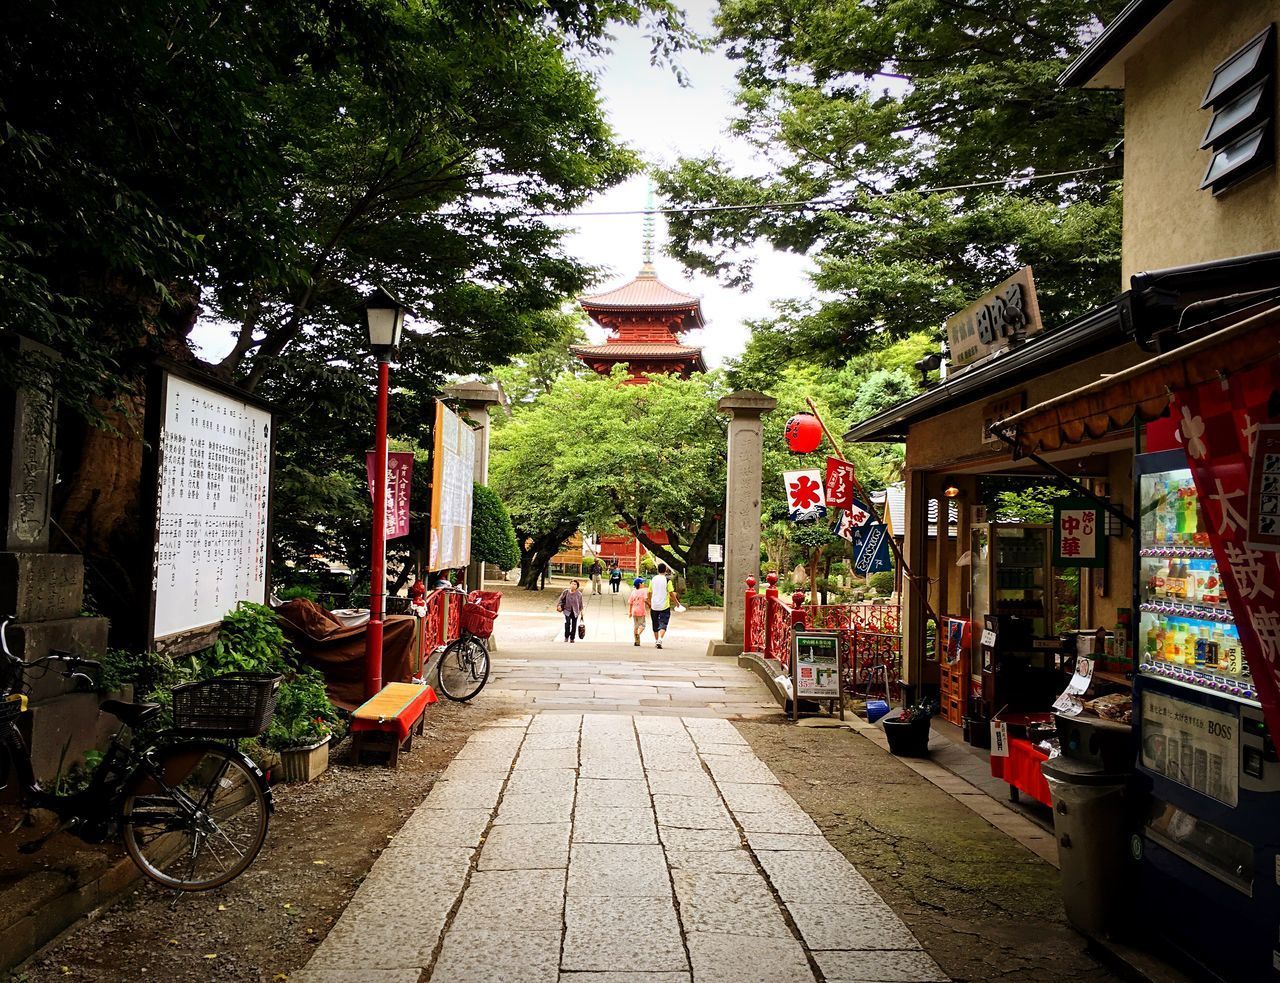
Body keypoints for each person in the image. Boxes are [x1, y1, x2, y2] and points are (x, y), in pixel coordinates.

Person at [647, 563, 679, 650]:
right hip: (664, 605)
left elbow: (649, 592)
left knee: (655, 623)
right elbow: (671, 593)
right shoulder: (667, 580)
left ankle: (657, 640)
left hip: (654, 605)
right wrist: (676, 602)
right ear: (665, 570)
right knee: (663, 623)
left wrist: (649, 602)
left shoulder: (652, 579)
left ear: (657, 569)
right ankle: (660, 640)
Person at [557, 579, 584, 643]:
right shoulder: (566, 592)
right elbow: (560, 600)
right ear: (570, 584)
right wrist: (559, 606)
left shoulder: (579, 594)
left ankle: (572, 638)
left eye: (575, 584)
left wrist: (582, 612)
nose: (573, 585)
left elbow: (581, 604)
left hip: (575, 612)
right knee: (567, 623)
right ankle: (566, 637)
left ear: (577, 586)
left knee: (574, 625)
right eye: (572, 584)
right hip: (567, 610)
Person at [628, 577, 649, 647]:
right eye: (643, 583)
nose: (644, 584)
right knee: (643, 625)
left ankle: (636, 641)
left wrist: (630, 612)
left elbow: (630, 602)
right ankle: (638, 634)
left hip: (634, 611)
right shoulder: (643, 591)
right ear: (640, 584)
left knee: (635, 626)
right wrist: (649, 605)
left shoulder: (633, 592)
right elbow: (645, 600)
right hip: (641, 611)